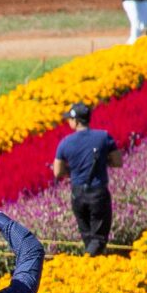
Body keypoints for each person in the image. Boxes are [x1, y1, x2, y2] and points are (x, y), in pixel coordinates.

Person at [51, 102, 124, 256]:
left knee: (88, 238)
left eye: (69, 120)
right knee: (98, 239)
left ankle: (92, 267)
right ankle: (88, 261)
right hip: (98, 194)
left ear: (76, 121)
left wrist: (72, 171)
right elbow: (118, 161)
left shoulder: (65, 143)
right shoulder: (103, 137)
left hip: (77, 195)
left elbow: (57, 172)